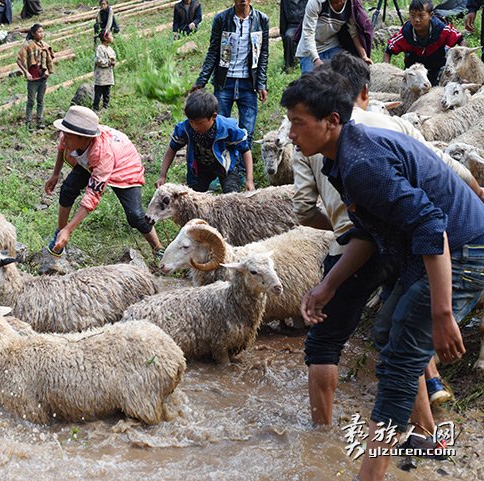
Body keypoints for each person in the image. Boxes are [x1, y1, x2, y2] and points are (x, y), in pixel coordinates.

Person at [282, 67, 484, 481]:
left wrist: (442, 314)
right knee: (388, 335)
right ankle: (426, 439)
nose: (290, 135)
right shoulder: (344, 159)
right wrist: (327, 285)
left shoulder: (361, 164)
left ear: (331, 121)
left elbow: (432, 227)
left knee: (399, 362)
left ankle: (370, 474)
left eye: (298, 124)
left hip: (465, 249)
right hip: (435, 250)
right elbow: (371, 234)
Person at [44, 106, 165, 260]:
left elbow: (92, 196)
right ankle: (59, 232)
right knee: (67, 189)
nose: (63, 138)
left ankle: (158, 248)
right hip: (89, 164)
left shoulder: (102, 153)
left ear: (84, 137)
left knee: (135, 215)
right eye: (64, 134)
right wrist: (55, 174)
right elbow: (62, 149)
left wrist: (70, 229)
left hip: (124, 167)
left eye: (68, 136)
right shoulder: (68, 136)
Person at [192, 0, 269, 195]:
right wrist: (201, 81)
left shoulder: (261, 20)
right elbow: (213, 52)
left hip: (248, 83)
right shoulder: (222, 19)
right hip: (224, 82)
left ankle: (241, 173)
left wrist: (261, 83)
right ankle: (220, 172)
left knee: (247, 130)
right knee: (218, 129)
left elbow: (263, 55)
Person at [157, 90, 252, 193]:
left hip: (227, 166)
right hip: (201, 167)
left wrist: (249, 179)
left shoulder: (228, 128)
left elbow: (245, 151)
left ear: (213, 117)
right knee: (194, 198)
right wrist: (162, 175)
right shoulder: (185, 128)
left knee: (232, 195)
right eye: (191, 121)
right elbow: (172, 149)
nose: (194, 126)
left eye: (199, 123)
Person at [384, 0, 465, 86]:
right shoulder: (405, 34)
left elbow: (461, 40)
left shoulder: (442, 29)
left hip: (437, 68)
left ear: (431, 15)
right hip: (415, 73)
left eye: (421, 15)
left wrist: (461, 62)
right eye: (412, 16)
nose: (416, 20)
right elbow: (388, 51)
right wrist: (387, 71)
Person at [295, 0, 372, 72]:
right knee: (311, 82)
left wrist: (363, 56)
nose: (339, 3)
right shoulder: (316, 2)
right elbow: (308, 34)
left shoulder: (350, 4)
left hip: (332, 46)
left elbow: (354, 33)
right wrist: (316, 60)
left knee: (349, 71)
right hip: (309, 50)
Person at [17, 24, 54, 131]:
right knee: (31, 101)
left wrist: (46, 69)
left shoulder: (45, 45)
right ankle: (28, 123)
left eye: (42, 32)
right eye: (39, 32)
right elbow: (19, 60)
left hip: (43, 77)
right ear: (33, 33)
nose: (41, 34)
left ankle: (39, 121)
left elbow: (49, 60)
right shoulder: (28, 45)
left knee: (41, 100)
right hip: (33, 79)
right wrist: (26, 72)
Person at [280, 0, 307, 71]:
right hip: (293, 25)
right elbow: (282, 17)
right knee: (288, 36)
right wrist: (283, 34)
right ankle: (290, 65)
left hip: (307, 24)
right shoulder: (284, 1)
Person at [93, 30, 117, 111]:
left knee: (107, 92)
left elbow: (114, 58)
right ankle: (95, 108)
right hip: (101, 75)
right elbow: (99, 61)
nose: (112, 37)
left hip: (108, 75)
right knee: (98, 92)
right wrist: (110, 62)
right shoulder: (100, 48)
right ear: (105, 38)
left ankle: (105, 107)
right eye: (111, 36)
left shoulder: (110, 49)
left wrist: (113, 62)